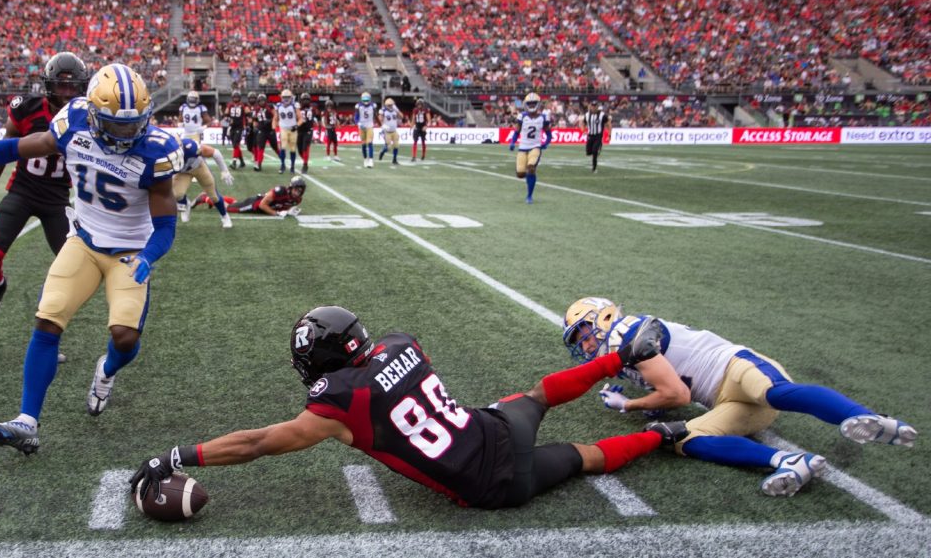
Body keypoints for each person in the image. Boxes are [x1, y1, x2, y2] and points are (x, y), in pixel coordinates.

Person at [131, 306, 681, 509]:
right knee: (536, 396)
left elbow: (257, 443)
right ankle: (618, 360)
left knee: (582, 455)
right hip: (489, 426)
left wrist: (179, 455)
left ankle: (666, 436)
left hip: (489, 484)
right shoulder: (401, 344)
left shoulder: (339, 403)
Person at [0, 63, 183, 455]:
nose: (128, 133)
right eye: (117, 124)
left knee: (124, 338)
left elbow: (164, 226)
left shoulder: (156, 151)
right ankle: (27, 421)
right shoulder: (72, 122)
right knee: (48, 318)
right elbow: (15, 148)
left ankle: (106, 371)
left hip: (129, 251)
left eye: (134, 124)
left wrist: (149, 256)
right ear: (92, 113)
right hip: (85, 241)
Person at [562, 297, 919, 497]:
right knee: (684, 440)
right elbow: (676, 392)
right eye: (578, 341)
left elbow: (677, 393)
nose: (585, 344)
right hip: (726, 403)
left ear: (605, 317)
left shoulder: (629, 334)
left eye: (584, 333)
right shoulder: (619, 353)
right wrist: (633, 399)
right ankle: (790, 461)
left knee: (773, 392)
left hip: (734, 367)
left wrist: (630, 405)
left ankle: (865, 418)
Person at [0, 52, 89, 325]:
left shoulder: (87, 117)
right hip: (23, 190)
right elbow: (1, 156)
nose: (67, 93)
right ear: (48, 85)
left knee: (72, 271)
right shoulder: (26, 108)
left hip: (58, 200)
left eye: (73, 86)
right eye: (61, 85)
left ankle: (49, 332)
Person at [174, 138, 233, 228]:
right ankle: (186, 203)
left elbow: (215, 153)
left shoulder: (191, 147)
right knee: (176, 194)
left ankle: (224, 216)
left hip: (199, 167)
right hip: (183, 172)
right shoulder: (163, 154)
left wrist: (224, 171)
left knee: (214, 196)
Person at [508, 92, 551, 205]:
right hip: (523, 147)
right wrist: (513, 142)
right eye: (530, 103)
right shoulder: (522, 116)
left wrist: (546, 143)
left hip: (535, 147)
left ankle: (529, 196)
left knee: (531, 168)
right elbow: (517, 131)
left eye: (534, 103)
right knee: (521, 174)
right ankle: (527, 178)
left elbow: (549, 133)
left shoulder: (543, 117)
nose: (532, 106)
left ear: (538, 104)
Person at [200, 174, 305, 217]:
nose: (297, 193)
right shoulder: (280, 191)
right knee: (228, 208)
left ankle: (213, 197)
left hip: (261, 206)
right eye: (296, 189)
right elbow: (262, 205)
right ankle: (206, 197)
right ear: (291, 187)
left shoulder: (297, 200)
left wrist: (288, 212)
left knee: (236, 203)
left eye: (300, 191)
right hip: (255, 204)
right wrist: (276, 213)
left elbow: (284, 208)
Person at [273, 89, 301, 174]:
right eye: (284, 97)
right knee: (283, 147)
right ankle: (282, 165)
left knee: (292, 149)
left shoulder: (295, 105)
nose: (285, 99)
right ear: (281, 97)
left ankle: (292, 166)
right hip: (283, 128)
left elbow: (300, 119)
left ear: (291, 97)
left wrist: (296, 126)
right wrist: (274, 126)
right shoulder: (278, 106)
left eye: (287, 97)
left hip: (293, 129)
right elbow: (275, 118)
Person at [253, 93, 280, 171]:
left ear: (265, 101)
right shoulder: (256, 109)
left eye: (263, 101)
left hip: (270, 130)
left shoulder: (270, 106)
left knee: (275, 147)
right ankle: (259, 164)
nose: (262, 102)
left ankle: (282, 160)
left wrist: (270, 120)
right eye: (260, 101)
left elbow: (276, 115)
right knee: (260, 147)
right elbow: (255, 120)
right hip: (261, 130)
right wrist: (255, 127)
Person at [582, 101, 609, 173]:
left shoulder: (602, 115)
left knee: (594, 152)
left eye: (595, 106)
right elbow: (583, 123)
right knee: (588, 152)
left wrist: (609, 134)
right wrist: (583, 130)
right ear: (590, 106)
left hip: (598, 136)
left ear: (597, 107)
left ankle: (594, 168)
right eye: (592, 106)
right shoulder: (587, 115)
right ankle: (597, 149)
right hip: (590, 135)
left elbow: (608, 124)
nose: (593, 107)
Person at [224, 91, 248, 169]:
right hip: (232, 126)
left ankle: (234, 162)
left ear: (240, 98)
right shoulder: (230, 105)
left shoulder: (243, 105)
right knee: (235, 145)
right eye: (234, 97)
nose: (236, 98)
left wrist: (245, 124)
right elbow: (226, 114)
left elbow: (248, 113)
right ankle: (242, 162)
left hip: (239, 126)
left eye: (237, 97)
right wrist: (227, 118)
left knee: (236, 144)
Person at [296, 92, 318, 174]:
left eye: (307, 100)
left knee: (305, 148)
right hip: (300, 131)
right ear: (301, 100)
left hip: (308, 131)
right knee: (300, 149)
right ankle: (305, 161)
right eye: (304, 100)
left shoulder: (312, 108)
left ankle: (305, 164)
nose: (305, 101)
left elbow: (316, 119)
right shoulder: (299, 109)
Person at [377, 97, 403, 165]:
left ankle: (394, 159)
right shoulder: (383, 110)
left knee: (396, 145)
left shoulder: (395, 110)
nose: (390, 106)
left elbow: (401, 116)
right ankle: (382, 152)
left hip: (394, 131)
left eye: (391, 105)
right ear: (386, 105)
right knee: (388, 147)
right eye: (389, 105)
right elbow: (380, 118)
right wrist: (383, 125)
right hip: (387, 132)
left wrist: (397, 110)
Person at [355, 91, 377, 168]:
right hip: (361, 126)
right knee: (363, 144)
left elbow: (375, 115)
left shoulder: (373, 106)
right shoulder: (358, 106)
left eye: (367, 99)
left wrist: (379, 123)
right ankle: (365, 159)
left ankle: (371, 160)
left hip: (369, 126)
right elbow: (356, 116)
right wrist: (358, 123)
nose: (365, 101)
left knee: (370, 142)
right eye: (364, 99)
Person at [411, 98, 429, 162]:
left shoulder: (425, 110)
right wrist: (412, 125)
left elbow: (429, 120)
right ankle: (414, 156)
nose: (419, 105)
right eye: (418, 104)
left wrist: (426, 126)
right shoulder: (415, 110)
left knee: (423, 141)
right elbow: (413, 118)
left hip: (423, 127)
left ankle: (423, 155)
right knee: (415, 141)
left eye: (420, 104)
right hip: (417, 126)